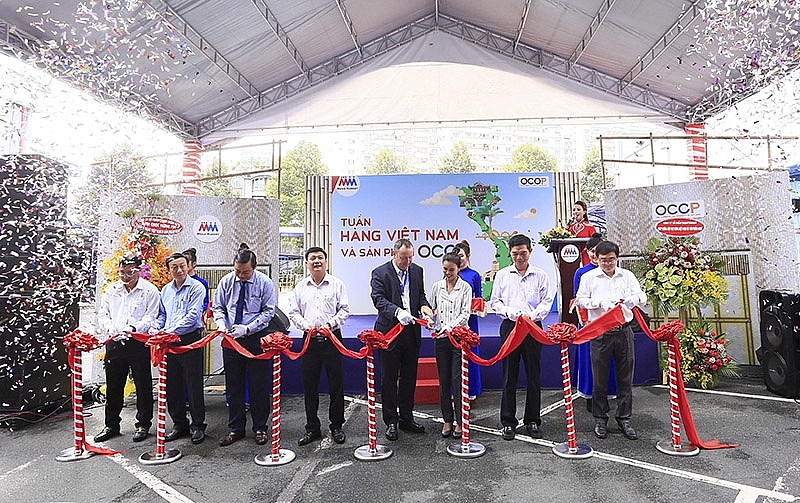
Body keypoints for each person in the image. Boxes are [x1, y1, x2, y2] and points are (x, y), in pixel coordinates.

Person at [575, 240, 646, 441]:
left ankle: (624, 418)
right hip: (600, 332)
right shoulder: (589, 277)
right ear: (596, 259)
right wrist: (599, 303)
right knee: (600, 378)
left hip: (624, 330)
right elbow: (580, 300)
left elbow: (642, 296)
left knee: (625, 377)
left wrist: (634, 299)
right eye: (604, 260)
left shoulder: (627, 275)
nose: (608, 263)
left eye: (612, 259)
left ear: (617, 258)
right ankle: (600, 418)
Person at [489, 234, 554, 441]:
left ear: (530, 252)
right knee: (509, 374)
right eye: (515, 253)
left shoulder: (540, 275)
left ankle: (532, 420)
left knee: (534, 374)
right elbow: (495, 302)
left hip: (533, 327)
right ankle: (508, 422)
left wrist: (531, 316)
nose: (519, 257)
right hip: (510, 327)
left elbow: (547, 301)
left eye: (523, 253)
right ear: (510, 252)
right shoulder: (502, 275)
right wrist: (512, 314)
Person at [212, 244, 276, 447]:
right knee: (234, 386)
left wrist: (248, 328)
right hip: (231, 339)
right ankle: (236, 428)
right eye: (237, 271)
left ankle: (260, 428)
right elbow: (218, 307)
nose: (241, 276)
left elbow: (268, 312)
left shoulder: (265, 283)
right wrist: (221, 324)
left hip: (256, 338)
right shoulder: (227, 281)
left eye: (246, 272)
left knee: (259, 385)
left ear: (254, 268)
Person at [93, 253, 162, 443]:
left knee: (142, 384)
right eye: (122, 272)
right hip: (115, 341)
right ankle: (111, 424)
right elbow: (103, 313)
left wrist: (133, 328)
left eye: (130, 272)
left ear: (139, 271)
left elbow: (151, 316)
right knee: (113, 384)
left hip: (137, 341)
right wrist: (110, 328)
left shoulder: (150, 290)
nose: (125, 277)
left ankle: (143, 424)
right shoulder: (112, 289)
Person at [370, 238, 434, 440]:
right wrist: (397, 312)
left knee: (409, 377)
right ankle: (391, 421)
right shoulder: (380, 273)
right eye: (403, 258)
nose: (407, 262)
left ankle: (406, 417)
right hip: (389, 332)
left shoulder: (417, 271)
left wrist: (424, 307)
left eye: (410, 258)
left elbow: (420, 295)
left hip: (411, 332)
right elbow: (379, 300)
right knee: (389, 378)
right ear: (394, 254)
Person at [288, 246, 351, 446]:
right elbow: (293, 312)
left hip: (332, 339)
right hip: (309, 341)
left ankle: (337, 426)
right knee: (310, 386)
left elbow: (344, 310)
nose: (317, 261)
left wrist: (330, 325)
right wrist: (305, 325)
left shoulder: (337, 284)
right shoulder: (300, 286)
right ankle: (312, 428)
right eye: (313, 258)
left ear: (326, 261)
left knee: (336, 385)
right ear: (306, 263)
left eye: (320, 258)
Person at [157, 252, 208, 444]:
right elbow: (162, 314)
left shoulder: (197, 287)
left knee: (194, 384)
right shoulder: (165, 290)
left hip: (189, 339)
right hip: (169, 343)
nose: (179, 270)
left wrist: (169, 331)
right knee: (172, 385)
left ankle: (198, 426)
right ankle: (179, 424)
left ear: (188, 266)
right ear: (168, 270)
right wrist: (157, 329)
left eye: (182, 266)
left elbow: (193, 316)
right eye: (174, 267)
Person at [429, 252, 472, 438]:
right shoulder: (437, 286)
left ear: (459, 268)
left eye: (451, 270)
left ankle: (461, 421)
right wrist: (428, 317)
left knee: (458, 379)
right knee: (444, 380)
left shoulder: (466, 288)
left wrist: (449, 327)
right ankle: (447, 419)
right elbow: (431, 308)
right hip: (440, 339)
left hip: (458, 338)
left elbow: (465, 314)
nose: (448, 273)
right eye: (445, 269)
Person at [572, 233, 617, 411]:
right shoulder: (582, 273)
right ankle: (590, 396)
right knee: (590, 361)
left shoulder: (615, 272)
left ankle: (610, 394)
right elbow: (578, 300)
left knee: (610, 361)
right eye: (591, 251)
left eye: (596, 251)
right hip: (589, 324)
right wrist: (584, 322)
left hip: (610, 324)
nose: (593, 254)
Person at [453, 240, 483, 399]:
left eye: (461, 256)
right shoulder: (451, 272)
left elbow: (479, 298)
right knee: (454, 354)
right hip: (453, 320)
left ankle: (471, 390)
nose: (459, 259)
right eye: (456, 256)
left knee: (471, 353)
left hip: (470, 320)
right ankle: (454, 391)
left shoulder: (474, 275)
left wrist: (473, 307)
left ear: (468, 256)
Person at [568, 200, 597, 266]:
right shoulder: (570, 227)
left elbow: (595, 243)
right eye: (574, 210)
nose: (575, 212)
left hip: (587, 257)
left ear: (584, 212)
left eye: (578, 210)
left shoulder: (590, 227)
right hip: (572, 257)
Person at [183, 247, 210, 314]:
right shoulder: (178, 282)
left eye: (187, 263)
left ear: (194, 264)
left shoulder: (202, 282)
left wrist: (198, 309)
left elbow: (206, 302)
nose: (184, 266)